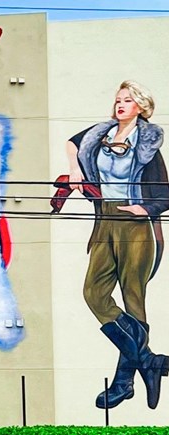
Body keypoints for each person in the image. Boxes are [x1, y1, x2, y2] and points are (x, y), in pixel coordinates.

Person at [63, 80, 169, 409]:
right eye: (118, 99)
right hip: (104, 219)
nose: (120, 104)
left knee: (133, 298)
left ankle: (124, 382)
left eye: (127, 100)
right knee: (93, 293)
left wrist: (145, 208)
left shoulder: (147, 142)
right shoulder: (101, 134)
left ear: (140, 106)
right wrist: (75, 170)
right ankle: (148, 360)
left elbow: (165, 193)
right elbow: (72, 143)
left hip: (137, 224)